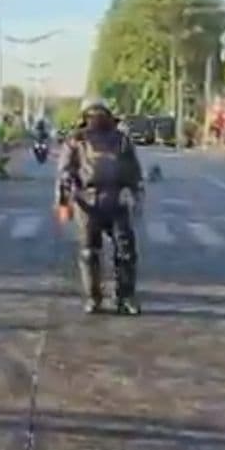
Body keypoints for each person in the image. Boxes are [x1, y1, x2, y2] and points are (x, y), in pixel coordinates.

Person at [56, 98, 143, 315]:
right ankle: (93, 297)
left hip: (118, 201)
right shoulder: (76, 141)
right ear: (85, 117)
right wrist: (63, 200)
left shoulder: (121, 140)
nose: (96, 117)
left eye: (100, 113)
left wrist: (136, 193)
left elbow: (133, 169)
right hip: (87, 202)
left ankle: (125, 296)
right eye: (92, 114)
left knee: (126, 253)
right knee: (88, 252)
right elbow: (65, 171)